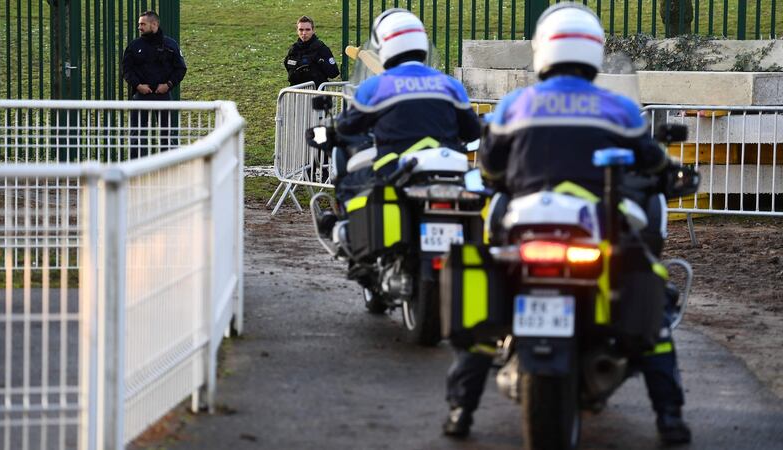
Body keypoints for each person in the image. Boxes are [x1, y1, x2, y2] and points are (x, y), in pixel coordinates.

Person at [443, 3, 692, 446]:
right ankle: (669, 417)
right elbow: (653, 165)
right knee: (648, 299)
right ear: (594, 51)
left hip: (524, 225)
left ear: (543, 51)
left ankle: (462, 409)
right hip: (596, 227)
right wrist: (671, 174)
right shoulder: (618, 108)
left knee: (487, 309)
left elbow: (491, 170)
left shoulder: (514, 104)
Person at [331, 8, 480, 206]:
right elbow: (472, 131)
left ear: (385, 45)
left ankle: (347, 233)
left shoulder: (376, 86)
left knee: (348, 185)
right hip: (446, 170)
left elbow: (347, 128)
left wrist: (328, 132)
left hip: (393, 170)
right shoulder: (450, 85)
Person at [122, 10, 187, 159]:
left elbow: (181, 68)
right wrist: (138, 85)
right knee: (136, 133)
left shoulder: (170, 45)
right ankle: (136, 167)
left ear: (154, 24)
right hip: (140, 95)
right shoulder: (134, 46)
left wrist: (168, 85)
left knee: (168, 133)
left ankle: (169, 166)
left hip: (163, 94)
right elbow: (126, 70)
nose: (139, 27)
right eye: (139, 24)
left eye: (143, 24)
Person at [284, 16, 340, 88]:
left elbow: (334, 73)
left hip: (317, 94)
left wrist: (319, 61)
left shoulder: (321, 48)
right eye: (301, 30)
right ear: (297, 31)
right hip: (297, 95)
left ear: (313, 30)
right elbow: (288, 67)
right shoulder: (294, 50)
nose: (304, 33)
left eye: (307, 30)